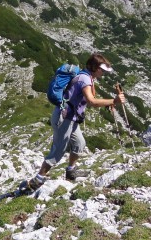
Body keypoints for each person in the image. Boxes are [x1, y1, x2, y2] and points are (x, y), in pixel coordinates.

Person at [20, 53, 125, 192]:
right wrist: (114, 101)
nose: (104, 73)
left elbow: (90, 98)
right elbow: (92, 101)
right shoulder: (84, 79)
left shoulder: (88, 77)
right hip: (64, 118)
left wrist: (108, 103)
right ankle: (36, 180)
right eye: (102, 70)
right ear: (94, 67)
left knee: (79, 144)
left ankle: (71, 171)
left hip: (72, 118)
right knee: (58, 150)